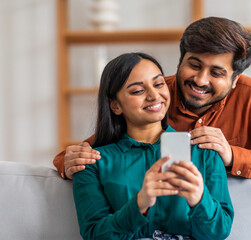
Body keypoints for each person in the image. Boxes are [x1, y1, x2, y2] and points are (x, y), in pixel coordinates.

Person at [54, 17, 251, 181]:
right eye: (194, 64)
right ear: (181, 60)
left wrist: (233, 157)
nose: (201, 80)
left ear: (235, 79)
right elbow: (79, 153)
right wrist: (67, 163)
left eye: (216, 72)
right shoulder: (156, 98)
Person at [73, 52, 234, 239]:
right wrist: (139, 204)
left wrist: (200, 199)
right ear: (115, 105)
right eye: (137, 91)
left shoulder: (204, 151)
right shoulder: (93, 163)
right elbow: (94, 235)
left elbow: (220, 232)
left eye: (159, 84)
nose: (153, 95)